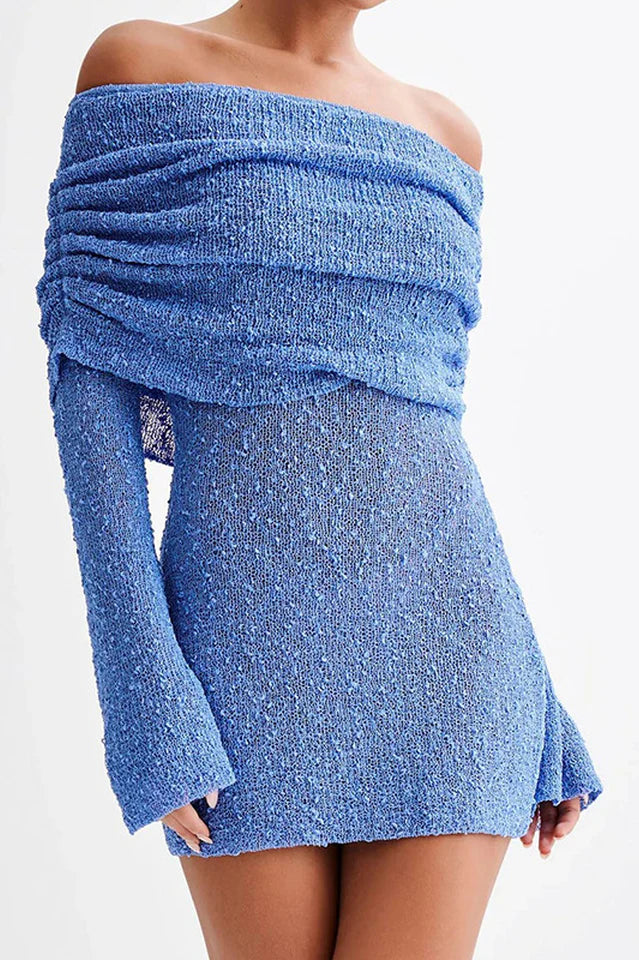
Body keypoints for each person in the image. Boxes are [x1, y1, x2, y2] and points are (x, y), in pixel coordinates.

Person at [36, 3, 603, 958]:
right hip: (238, 654)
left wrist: (542, 701)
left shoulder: (446, 135)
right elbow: (86, 382)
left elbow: (426, 431)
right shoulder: (142, 62)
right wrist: (143, 695)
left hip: (455, 660)